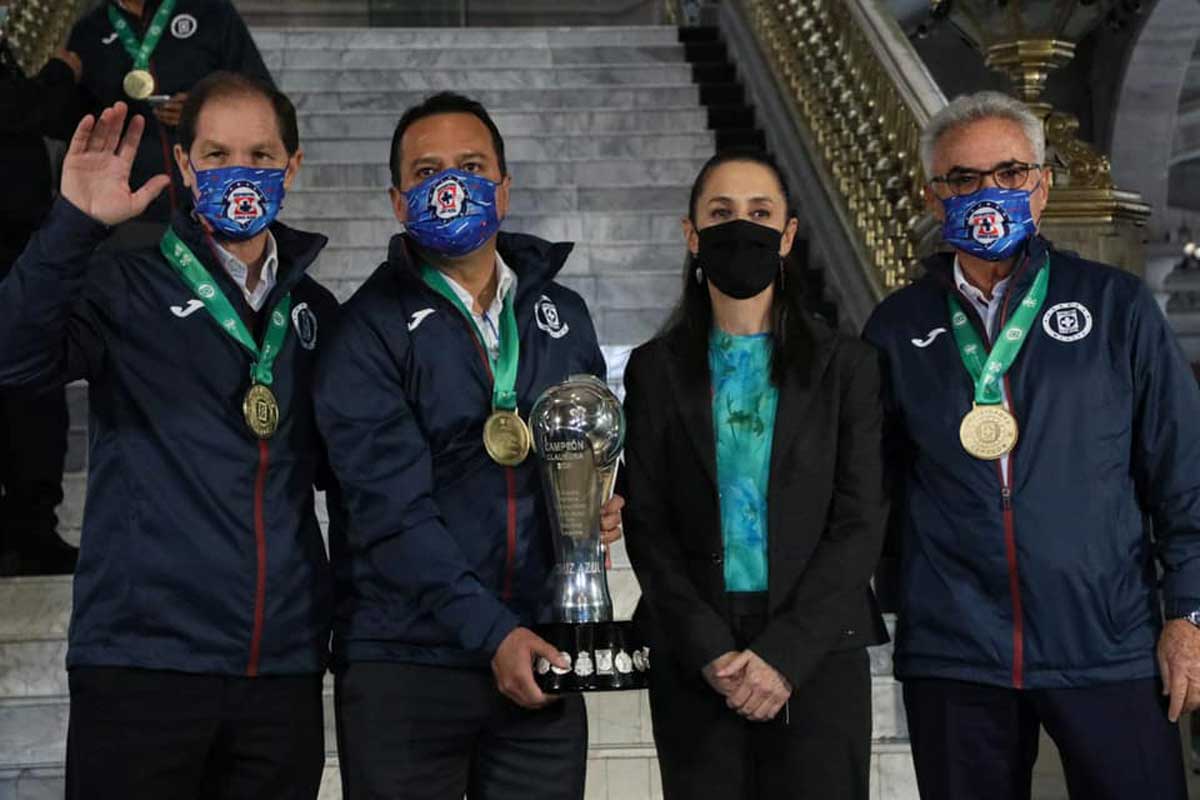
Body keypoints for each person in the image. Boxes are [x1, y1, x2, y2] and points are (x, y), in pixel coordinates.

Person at [0, 71, 337, 799]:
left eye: (259, 153)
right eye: (215, 154)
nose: (237, 172)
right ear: (183, 165)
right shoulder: (124, 279)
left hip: (279, 673)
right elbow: (12, 359)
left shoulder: (316, 311)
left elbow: (357, 473)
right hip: (142, 665)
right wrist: (73, 225)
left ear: (292, 165)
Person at [863, 90, 1200, 800]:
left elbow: (1182, 472)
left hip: (1107, 640)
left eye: (1011, 173)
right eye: (964, 178)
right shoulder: (896, 329)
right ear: (933, 196)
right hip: (956, 650)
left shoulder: (1116, 307)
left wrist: (1188, 613)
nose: (989, 192)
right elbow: (869, 486)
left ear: (1043, 186)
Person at [314, 91, 624, 800]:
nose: (450, 185)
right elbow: (389, 516)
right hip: (406, 663)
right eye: (426, 172)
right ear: (397, 201)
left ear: (504, 190)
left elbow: (593, 444)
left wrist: (599, 501)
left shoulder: (560, 314)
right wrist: (493, 636)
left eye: (471, 165)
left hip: (541, 652)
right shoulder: (365, 332)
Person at [621, 148, 889, 799]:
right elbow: (647, 522)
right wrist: (710, 648)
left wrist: (785, 657)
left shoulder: (848, 367)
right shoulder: (653, 369)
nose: (741, 227)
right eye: (721, 213)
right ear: (692, 234)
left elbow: (860, 520)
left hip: (818, 651)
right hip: (696, 655)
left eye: (760, 213)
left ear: (788, 234)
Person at [66, 0, 272, 248]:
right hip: (127, 210)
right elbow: (72, 121)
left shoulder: (212, 12)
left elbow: (262, 95)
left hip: (212, 203)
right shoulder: (89, 30)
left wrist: (205, 109)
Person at [0, 38, 88, 574]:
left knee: (35, 402)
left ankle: (32, 530)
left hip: (21, 247)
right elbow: (21, 109)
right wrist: (60, 71)